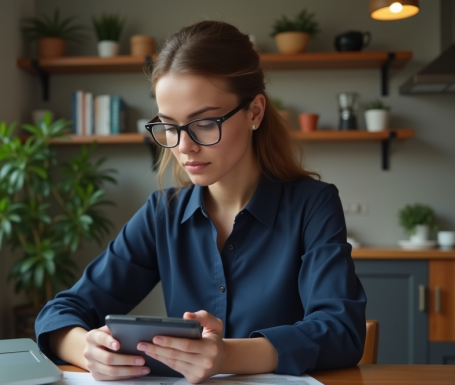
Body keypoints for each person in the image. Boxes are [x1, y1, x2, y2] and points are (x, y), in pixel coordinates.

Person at [35, 20, 366, 383]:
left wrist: (224, 355)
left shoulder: (313, 204)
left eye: (205, 123)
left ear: (254, 112)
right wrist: (87, 349)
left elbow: (340, 331)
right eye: (169, 126)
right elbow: (61, 312)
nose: (183, 146)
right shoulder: (162, 213)